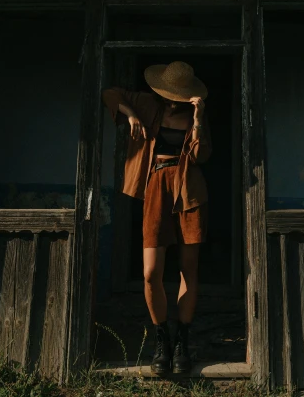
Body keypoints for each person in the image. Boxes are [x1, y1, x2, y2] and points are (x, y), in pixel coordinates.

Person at [102, 60, 211, 375]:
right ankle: (161, 339)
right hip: (156, 187)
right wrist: (130, 113)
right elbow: (109, 93)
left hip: (190, 190)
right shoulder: (147, 102)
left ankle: (182, 343)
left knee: (188, 269)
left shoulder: (195, 113)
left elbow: (202, 154)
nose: (174, 100)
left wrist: (199, 118)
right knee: (151, 272)